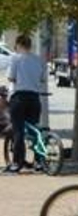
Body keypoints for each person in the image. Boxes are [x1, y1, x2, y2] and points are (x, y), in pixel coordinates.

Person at [5, 35, 47, 175]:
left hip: (19, 98)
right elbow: (42, 78)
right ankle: (38, 162)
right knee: (34, 131)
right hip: (34, 98)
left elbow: (11, 77)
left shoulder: (15, 58)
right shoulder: (38, 60)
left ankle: (17, 163)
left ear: (18, 45)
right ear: (30, 45)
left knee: (18, 131)